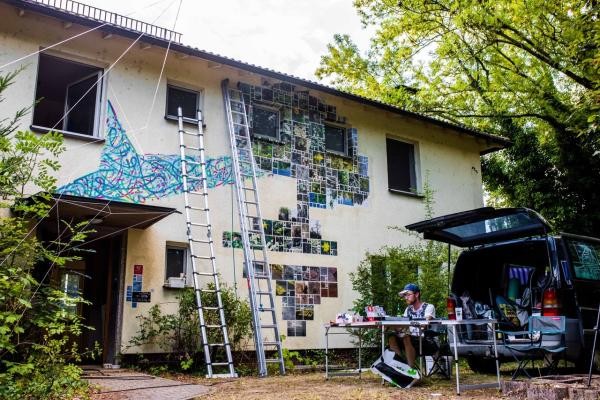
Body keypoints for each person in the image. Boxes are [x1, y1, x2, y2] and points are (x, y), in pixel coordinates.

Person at [388, 283, 436, 368]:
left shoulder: (429, 307)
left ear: (417, 294)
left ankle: (410, 370)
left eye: (408, 295)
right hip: (410, 338)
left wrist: (405, 329)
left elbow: (424, 325)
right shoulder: (408, 309)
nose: (406, 298)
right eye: (404, 295)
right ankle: (400, 366)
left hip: (426, 340)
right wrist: (394, 327)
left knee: (406, 337)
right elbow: (402, 326)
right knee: (392, 337)